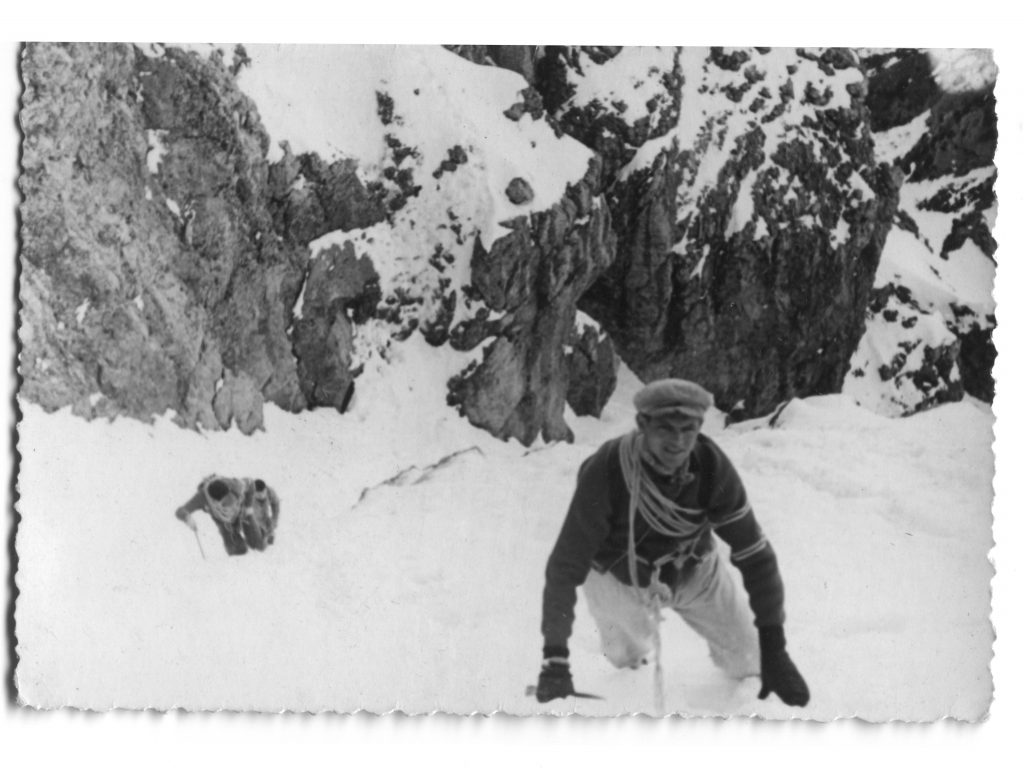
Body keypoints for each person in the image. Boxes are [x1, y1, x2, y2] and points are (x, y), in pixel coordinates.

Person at [536, 379, 809, 707]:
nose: (678, 442)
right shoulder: (607, 470)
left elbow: (756, 555)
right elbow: (565, 565)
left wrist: (775, 648)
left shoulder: (711, 468)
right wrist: (555, 659)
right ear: (642, 425)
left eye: (688, 429)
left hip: (694, 572)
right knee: (625, 659)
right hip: (618, 578)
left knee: (752, 660)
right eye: (665, 428)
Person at [176, 475, 281, 555]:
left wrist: (248, 506)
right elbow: (180, 511)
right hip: (224, 522)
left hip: (242, 513)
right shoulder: (201, 498)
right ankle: (235, 537)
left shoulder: (237, 485)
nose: (228, 505)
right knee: (238, 550)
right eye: (224, 504)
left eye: (229, 499)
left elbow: (251, 484)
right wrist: (187, 517)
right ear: (215, 501)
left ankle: (262, 531)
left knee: (260, 545)